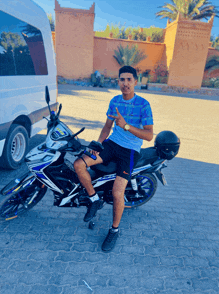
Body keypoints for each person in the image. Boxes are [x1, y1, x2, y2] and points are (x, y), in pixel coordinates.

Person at [74, 66, 153, 252]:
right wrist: (98, 144)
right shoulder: (115, 101)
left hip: (131, 150)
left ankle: (114, 230)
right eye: (121, 79)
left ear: (135, 81)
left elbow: (149, 136)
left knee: (118, 193)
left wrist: (126, 126)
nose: (125, 83)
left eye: (128, 80)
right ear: (118, 81)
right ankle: (94, 199)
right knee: (79, 164)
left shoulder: (143, 105)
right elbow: (107, 127)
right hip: (111, 144)